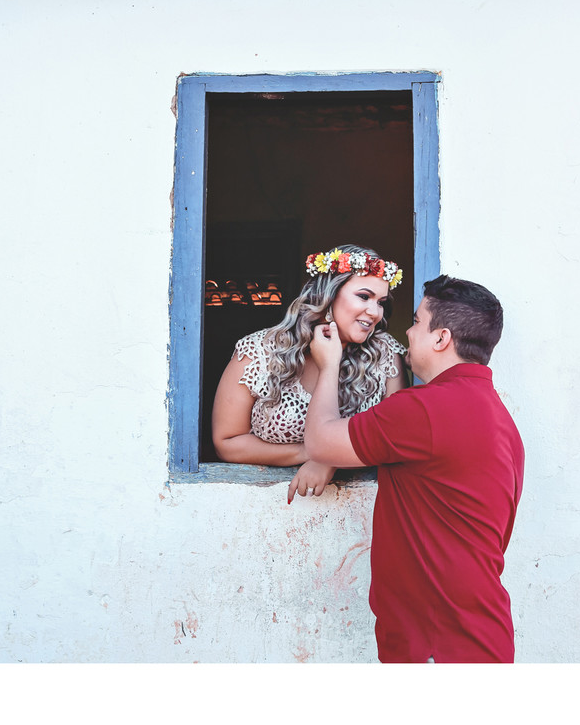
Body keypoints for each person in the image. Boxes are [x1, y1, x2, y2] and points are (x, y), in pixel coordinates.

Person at [289, 275, 525, 663]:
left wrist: (328, 365)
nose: (407, 332)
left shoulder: (424, 409)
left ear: (441, 338)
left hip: (437, 641)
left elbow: (319, 442)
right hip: (475, 631)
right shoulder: (501, 420)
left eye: (416, 322)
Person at [211, 245, 410, 478]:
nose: (375, 312)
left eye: (381, 302)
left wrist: (332, 461)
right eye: (364, 297)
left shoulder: (384, 353)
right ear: (328, 294)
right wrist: (313, 454)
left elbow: (394, 437)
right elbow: (227, 442)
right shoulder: (258, 351)